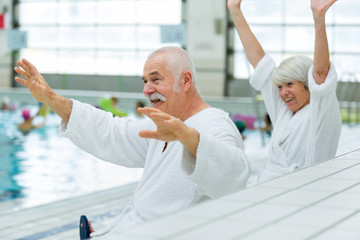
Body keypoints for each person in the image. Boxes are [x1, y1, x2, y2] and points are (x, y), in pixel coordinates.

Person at [14, 46, 250, 238]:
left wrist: (189, 138)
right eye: (145, 81)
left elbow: (234, 177)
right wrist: (52, 100)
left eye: (156, 79)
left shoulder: (214, 124)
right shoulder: (164, 123)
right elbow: (111, 131)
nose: (147, 89)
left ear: (185, 81)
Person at [228, 0, 341, 185]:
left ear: (307, 83)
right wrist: (235, 10)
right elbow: (260, 63)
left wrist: (318, 17)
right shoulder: (283, 110)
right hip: (270, 184)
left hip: (307, 188)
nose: (283, 93)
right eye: (279, 87)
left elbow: (321, 73)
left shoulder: (321, 110)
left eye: (289, 84)